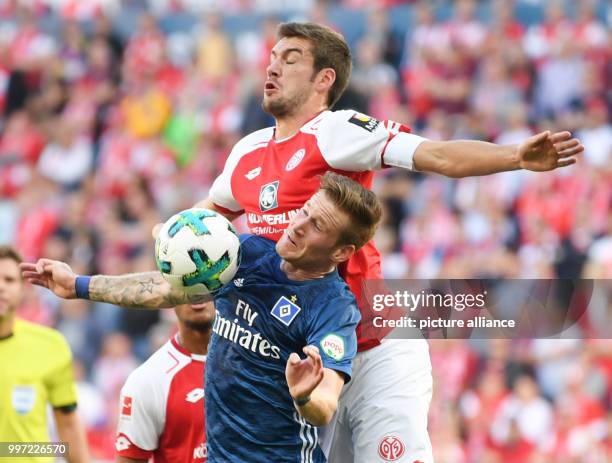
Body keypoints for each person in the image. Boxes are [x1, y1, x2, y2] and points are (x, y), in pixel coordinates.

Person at [191, 21, 584, 463]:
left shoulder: (336, 132)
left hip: (377, 345)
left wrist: (514, 157)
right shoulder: (247, 152)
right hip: (307, 362)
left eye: (291, 58)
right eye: (272, 57)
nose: (273, 65)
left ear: (325, 79)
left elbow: (434, 154)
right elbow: (194, 227)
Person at [22, 172, 382, 462]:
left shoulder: (334, 309)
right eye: (305, 210)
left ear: (342, 251)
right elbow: (168, 290)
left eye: (318, 225)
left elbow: (326, 403)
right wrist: (79, 285)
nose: (300, 224)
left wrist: (305, 397)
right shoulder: (252, 252)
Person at [0, 245, 89, 463]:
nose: (1, 286)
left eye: (9, 280)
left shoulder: (51, 345)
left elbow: (68, 425)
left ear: (22, 288)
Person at [115, 301, 213, 463]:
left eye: (207, 279)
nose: (198, 290)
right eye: (186, 280)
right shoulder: (146, 381)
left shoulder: (259, 363)